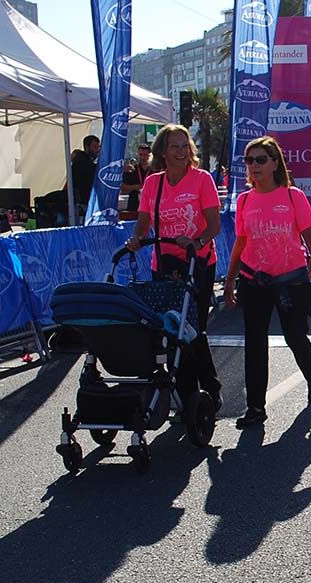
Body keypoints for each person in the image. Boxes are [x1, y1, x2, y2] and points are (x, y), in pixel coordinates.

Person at [223, 136, 311, 427]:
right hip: (253, 280)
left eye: (260, 160)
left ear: (274, 163)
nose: (254, 166)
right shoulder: (244, 200)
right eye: (249, 160)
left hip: (290, 280)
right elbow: (240, 245)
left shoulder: (293, 196)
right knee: (255, 343)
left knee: (294, 336)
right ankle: (256, 408)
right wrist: (229, 282)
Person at [126, 124, 222, 410]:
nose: (181, 152)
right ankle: (186, 393)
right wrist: (136, 238)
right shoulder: (154, 183)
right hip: (164, 264)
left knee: (193, 328)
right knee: (170, 329)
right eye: (174, 146)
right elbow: (144, 221)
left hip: (197, 263)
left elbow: (214, 224)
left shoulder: (202, 179)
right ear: (163, 152)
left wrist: (196, 241)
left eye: (185, 146)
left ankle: (207, 388)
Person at [71, 135, 101, 221]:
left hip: (86, 202)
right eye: (95, 147)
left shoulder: (86, 162)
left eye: (98, 147)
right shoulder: (82, 162)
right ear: (86, 147)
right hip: (83, 203)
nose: (97, 150)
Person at [120, 143, 152, 212]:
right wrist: (136, 187)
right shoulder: (132, 169)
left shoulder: (154, 171)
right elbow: (123, 188)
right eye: (141, 155)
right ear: (137, 154)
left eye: (145, 155)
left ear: (149, 155)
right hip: (134, 204)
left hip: (150, 204)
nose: (143, 157)